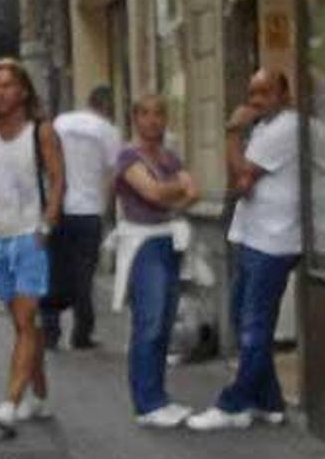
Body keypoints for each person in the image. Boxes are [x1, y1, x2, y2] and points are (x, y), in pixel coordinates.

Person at [188, 69, 301, 431]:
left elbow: (243, 178)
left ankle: (233, 404)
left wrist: (233, 131)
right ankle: (269, 402)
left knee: (253, 326)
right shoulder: (265, 128)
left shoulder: (286, 128)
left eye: (265, 92)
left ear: (284, 94)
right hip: (254, 236)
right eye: (252, 92)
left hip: (274, 240)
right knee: (242, 318)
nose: (255, 100)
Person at [0, 58, 65, 436]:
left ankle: (10, 404)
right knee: (23, 324)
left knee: (26, 320)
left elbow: (59, 179)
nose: (2, 92)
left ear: (24, 90)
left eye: (9, 85)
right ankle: (39, 395)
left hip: (30, 238)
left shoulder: (40, 132)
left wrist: (46, 224)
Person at [112, 96, 200, 428]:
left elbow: (193, 193)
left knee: (164, 322)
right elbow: (152, 193)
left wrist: (172, 191)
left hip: (167, 239)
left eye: (159, 114)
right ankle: (146, 403)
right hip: (143, 244)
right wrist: (176, 188)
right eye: (146, 114)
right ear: (135, 119)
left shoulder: (168, 156)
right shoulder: (127, 156)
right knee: (148, 323)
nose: (153, 120)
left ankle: (159, 397)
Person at [41, 85, 123, 349]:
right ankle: (81, 332)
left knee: (54, 269)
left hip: (59, 207)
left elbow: (47, 161)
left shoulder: (61, 122)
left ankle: (50, 330)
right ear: (108, 106)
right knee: (84, 272)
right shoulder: (109, 132)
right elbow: (113, 176)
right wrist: (107, 208)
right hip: (89, 210)